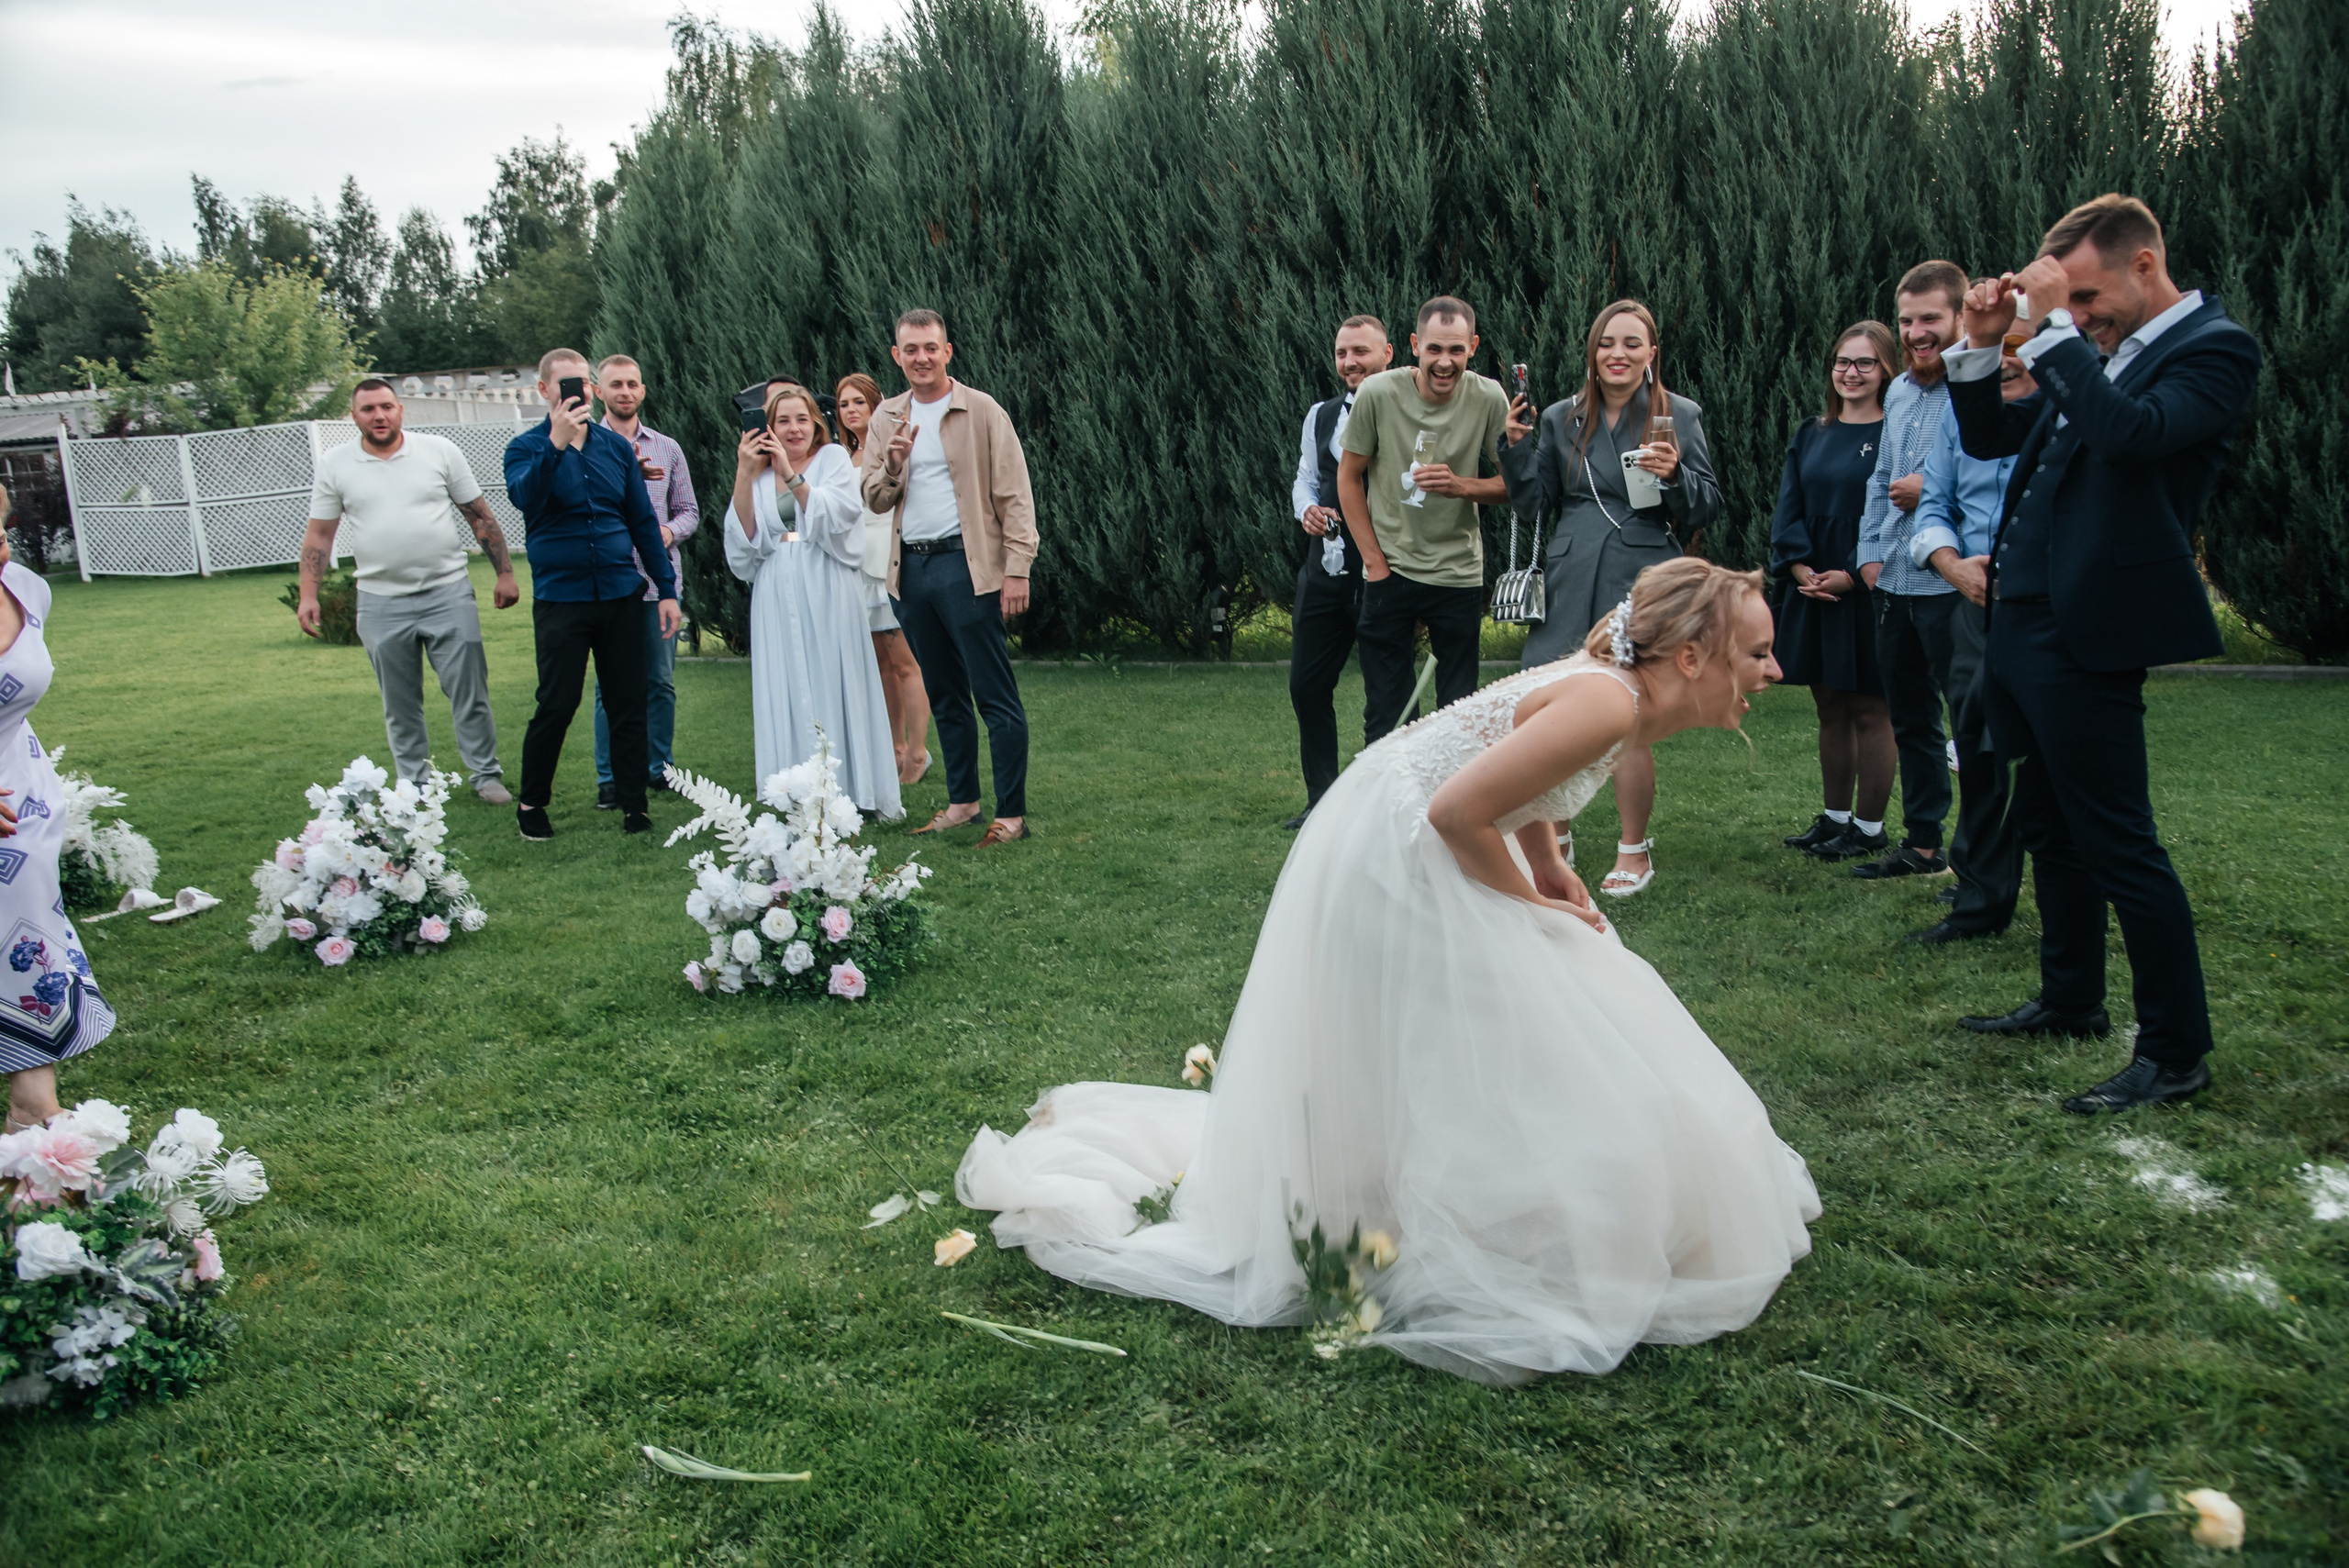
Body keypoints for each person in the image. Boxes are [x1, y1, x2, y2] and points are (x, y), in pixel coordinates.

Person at [955, 558, 1819, 1386]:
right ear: (1692, 656)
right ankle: (1469, 1215)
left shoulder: (1612, 696)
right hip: (1395, 845)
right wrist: (1527, 902)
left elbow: (1523, 771)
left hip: (1421, 826)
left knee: (1536, 1000)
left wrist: (1549, 862)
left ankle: (1478, 1200)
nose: (1773, 668)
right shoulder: (1608, 702)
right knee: (1511, 1002)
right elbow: (1456, 808)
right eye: (1756, 652)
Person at [1948, 194, 2258, 1114]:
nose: (2080, 316)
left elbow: (2132, 438)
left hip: (2092, 625)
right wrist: (1979, 339)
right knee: (2048, 826)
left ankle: (2174, 1049)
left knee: (2119, 839)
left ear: (2144, 265)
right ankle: (2072, 996)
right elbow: (1992, 435)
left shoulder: (2213, 349)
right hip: (2027, 622)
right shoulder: (2103, 356)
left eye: (2087, 297)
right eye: (2070, 303)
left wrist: (2050, 328)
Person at [1497, 299, 1724, 895]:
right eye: (1606, 343)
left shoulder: (1677, 415)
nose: (1617, 354)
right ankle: (1556, 839)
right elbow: (1534, 503)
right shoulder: (1559, 417)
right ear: (1592, 353)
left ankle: (1633, 849)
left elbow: (1705, 505)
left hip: (1641, 577)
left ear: (1651, 352)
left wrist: (1675, 475)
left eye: (1631, 343)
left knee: (1627, 715)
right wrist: (1517, 449)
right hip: (1571, 575)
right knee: (1549, 712)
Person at [862, 309, 1039, 846]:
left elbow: (1015, 495)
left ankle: (1011, 814)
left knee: (993, 695)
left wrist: (1017, 570)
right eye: (910, 349)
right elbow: (872, 497)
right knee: (943, 694)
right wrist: (894, 465)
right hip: (910, 572)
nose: (921, 358)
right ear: (897, 356)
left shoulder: (981, 410)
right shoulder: (885, 419)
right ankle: (962, 801)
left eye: (930, 348)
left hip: (969, 568)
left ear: (947, 351)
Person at [298, 378, 518, 804]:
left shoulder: (439, 451)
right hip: (380, 602)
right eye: (368, 410)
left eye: (386, 407)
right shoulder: (336, 464)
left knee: (469, 692)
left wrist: (504, 574)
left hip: (448, 593)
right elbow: (320, 536)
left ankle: (485, 777)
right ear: (354, 416)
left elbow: (480, 517)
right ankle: (413, 785)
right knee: (399, 703)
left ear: (400, 410)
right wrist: (310, 594)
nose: (378, 416)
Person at [503, 348, 681, 841]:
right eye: (565, 384)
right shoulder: (525, 448)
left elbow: (643, 523)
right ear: (544, 391)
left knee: (628, 701)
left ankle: (633, 804)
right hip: (562, 599)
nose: (576, 393)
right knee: (557, 703)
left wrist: (666, 588)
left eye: (582, 383)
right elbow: (526, 499)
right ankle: (532, 802)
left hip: (622, 593)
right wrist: (555, 446)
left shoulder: (614, 448)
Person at [1901, 332, 2034, 944]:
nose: (2006, 355)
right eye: (1996, 342)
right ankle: (1979, 890)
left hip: (2049, 602)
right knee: (1976, 744)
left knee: (2050, 758)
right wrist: (1953, 565)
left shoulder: (2070, 407)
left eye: (2021, 341)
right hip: (1974, 600)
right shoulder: (1962, 417)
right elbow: (1934, 505)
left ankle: (2060, 884)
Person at [1338, 296, 1511, 750]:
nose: (1444, 362)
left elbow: (1515, 486)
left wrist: (1462, 487)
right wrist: (1374, 562)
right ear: (1415, 345)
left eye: (1456, 350)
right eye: (1434, 349)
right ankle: (1393, 817)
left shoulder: (1490, 396)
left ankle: (1453, 816)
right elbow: (1348, 477)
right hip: (1390, 570)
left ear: (1473, 347)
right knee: (1388, 715)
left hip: (1457, 572)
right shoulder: (1377, 393)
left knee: (1460, 711)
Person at [0, 484, 117, 1132]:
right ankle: (33, 1106)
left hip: (25, 795)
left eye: (1, 529)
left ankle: (29, 1100)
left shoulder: (26, 589)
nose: (0, 547)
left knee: (26, 938)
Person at [727, 385, 901, 817]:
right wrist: (744, 474)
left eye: (802, 419)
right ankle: (793, 791)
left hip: (826, 582)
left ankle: (852, 792)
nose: (794, 428)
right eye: (783, 420)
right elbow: (743, 540)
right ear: (769, 426)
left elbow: (841, 515)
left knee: (834, 675)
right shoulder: (757, 471)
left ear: (816, 423)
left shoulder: (833, 460)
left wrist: (790, 474)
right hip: (774, 586)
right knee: (785, 682)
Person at [1852, 261, 1968, 879]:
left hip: (1950, 582)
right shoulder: (1897, 392)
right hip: (1892, 580)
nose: (1918, 332)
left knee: (1973, 727)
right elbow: (1879, 478)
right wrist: (1869, 553)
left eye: (1931, 319)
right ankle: (1924, 845)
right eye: (1907, 320)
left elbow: (1991, 475)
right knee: (1914, 721)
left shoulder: (1979, 385)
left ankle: (1980, 860)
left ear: (1960, 316)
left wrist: (1930, 488)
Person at [1770, 323, 1896, 858]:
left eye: (1865, 363)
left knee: (1870, 708)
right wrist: (1800, 570)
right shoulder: (1811, 431)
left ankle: (1869, 829)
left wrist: (1851, 571)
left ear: (1886, 370)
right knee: (1829, 706)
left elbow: (1894, 515)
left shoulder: (1897, 431)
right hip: (1812, 583)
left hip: (1867, 582)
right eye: (1843, 362)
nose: (1851, 372)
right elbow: (1788, 505)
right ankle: (1834, 818)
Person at [1283, 314, 1394, 829]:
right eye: (1342, 352)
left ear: (1388, 354)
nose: (1350, 362)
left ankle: (1389, 805)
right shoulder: (1321, 414)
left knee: (1388, 694)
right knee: (1306, 686)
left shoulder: (1405, 411)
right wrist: (1305, 508)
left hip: (1385, 572)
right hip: (1324, 572)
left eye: (1361, 352)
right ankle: (1321, 802)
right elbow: (1306, 477)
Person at [587, 355, 698, 811]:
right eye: (615, 384)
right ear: (598, 391)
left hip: (658, 585)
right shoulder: (585, 446)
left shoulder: (668, 448)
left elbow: (689, 510)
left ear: (643, 390)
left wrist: (667, 532)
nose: (625, 392)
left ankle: (660, 768)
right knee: (608, 688)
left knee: (659, 681)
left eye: (632, 384)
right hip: (608, 582)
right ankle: (610, 778)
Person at [835, 372, 933, 786]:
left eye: (859, 401)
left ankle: (917, 750)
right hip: (856, 563)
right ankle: (891, 747)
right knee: (879, 664)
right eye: (843, 404)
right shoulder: (837, 456)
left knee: (905, 662)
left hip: (887, 558)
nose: (851, 410)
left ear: (875, 404)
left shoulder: (888, 449)